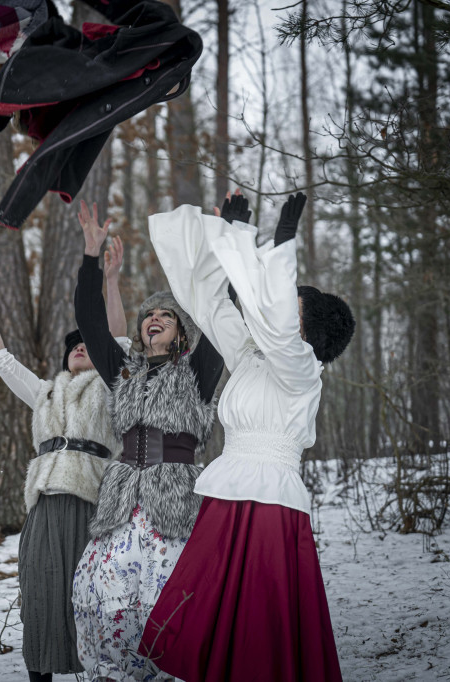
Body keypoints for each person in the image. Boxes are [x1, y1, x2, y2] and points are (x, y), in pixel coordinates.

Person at [138, 192, 354, 681]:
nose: (274, 309)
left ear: (309, 332)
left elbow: (277, 328)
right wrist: (226, 237)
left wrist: (274, 243)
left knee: (260, 626)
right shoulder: (251, 356)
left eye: (290, 307)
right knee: (212, 619)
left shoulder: (303, 371)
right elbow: (210, 305)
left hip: (270, 508)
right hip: (227, 497)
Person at [69, 200, 225, 682]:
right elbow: (90, 318)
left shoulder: (196, 372)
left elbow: (223, 312)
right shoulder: (123, 373)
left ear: (182, 332)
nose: (154, 318)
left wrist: (217, 246)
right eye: (148, 314)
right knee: (103, 600)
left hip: (175, 501)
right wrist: (91, 256)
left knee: (172, 602)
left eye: (167, 315)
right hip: (121, 501)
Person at [0, 260, 128, 682]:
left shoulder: (114, 387)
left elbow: (120, 339)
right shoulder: (44, 392)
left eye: (88, 345)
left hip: (91, 505)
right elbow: (1, 361)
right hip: (42, 506)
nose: (80, 347)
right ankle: (41, 674)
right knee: (39, 593)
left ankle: (98, 670)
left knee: (90, 594)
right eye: (74, 346)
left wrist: (110, 280)